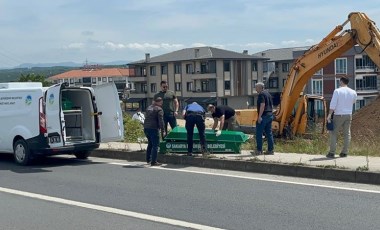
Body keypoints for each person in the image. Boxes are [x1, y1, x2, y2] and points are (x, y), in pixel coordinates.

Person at [326, 76, 357, 158]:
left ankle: (332, 152)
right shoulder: (353, 92)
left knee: (333, 133)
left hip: (339, 115)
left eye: (339, 81)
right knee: (347, 134)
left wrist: (329, 115)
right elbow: (354, 102)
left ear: (341, 82)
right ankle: (344, 152)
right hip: (349, 115)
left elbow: (333, 104)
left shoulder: (337, 91)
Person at [143, 97, 166, 166]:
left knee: (150, 144)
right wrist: (163, 130)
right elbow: (161, 121)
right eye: (161, 102)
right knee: (155, 145)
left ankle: (148, 159)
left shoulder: (148, 108)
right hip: (153, 128)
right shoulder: (159, 109)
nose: (161, 104)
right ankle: (154, 161)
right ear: (158, 102)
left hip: (146, 128)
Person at [254, 82, 274, 155]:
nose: (256, 89)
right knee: (269, 133)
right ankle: (270, 150)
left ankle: (259, 150)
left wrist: (259, 117)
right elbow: (271, 105)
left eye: (256, 87)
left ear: (260, 87)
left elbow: (262, 105)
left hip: (264, 116)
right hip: (270, 115)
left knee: (259, 133)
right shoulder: (268, 94)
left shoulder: (261, 94)